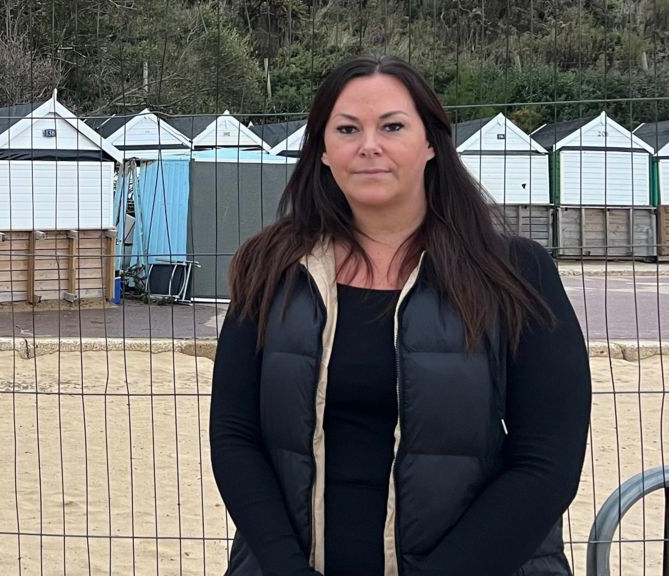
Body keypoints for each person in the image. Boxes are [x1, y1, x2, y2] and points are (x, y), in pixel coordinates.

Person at [208, 54, 591, 576]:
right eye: (347, 129)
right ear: (323, 150)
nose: (369, 145)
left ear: (431, 142)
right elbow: (235, 435)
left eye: (392, 126)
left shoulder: (515, 273)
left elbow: (547, 462)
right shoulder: (269, 267)